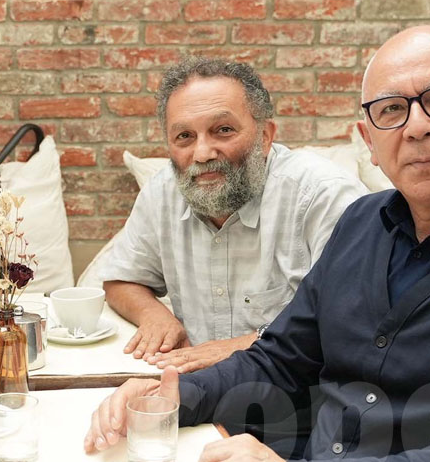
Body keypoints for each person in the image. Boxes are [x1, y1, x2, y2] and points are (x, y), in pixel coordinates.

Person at [85, 25, 430, 460]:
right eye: (391, 109)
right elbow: (280, 359)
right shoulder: (361, 225)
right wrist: (170, 394)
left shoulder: (326, 199)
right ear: (370, 140)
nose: (416, 127)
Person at [99, 57, 367, 373]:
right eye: (184, 136)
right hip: (197, 386)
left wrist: (240, 349)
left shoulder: (325, 197)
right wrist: (154, 315)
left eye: (223, 130)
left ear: (265, 136)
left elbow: (354, 321)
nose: (202, 154)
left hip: (300, 398)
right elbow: (120, 280)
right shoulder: (163, 192)